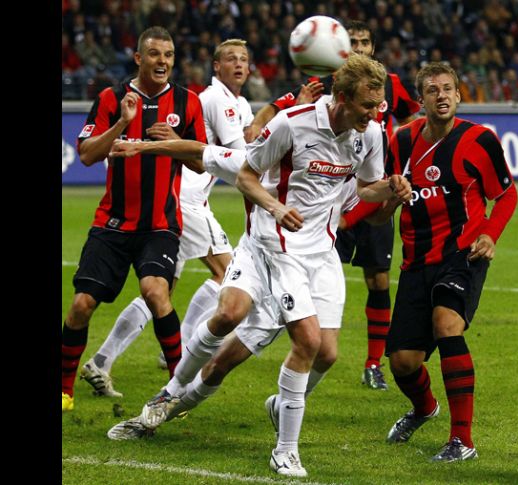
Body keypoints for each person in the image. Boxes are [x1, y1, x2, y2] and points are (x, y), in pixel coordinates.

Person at [107, 54, 411, 478]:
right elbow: (228, 163)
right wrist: (143, 146)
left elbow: (367, 197)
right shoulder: (292, 124)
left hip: (320, 255)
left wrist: (391, 193)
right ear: (341, 97)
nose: (373, 113)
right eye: (366, 104)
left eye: (378, 105)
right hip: (273, 248)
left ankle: (204, 401)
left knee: (325, 353)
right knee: (260, 326)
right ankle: (273, 444)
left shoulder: (371, 133)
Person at [78, 39, 255, 398]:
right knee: (226, 273)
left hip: (184, 200)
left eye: (244, 60)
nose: (239, 65)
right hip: (183, 201)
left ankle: (102, 360)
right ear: (215, 67)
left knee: (161, 290)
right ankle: (176, 350)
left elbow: (249, 142)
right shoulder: (217, 100)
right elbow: (239, 156)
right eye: (230, 59)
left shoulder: (238, 103)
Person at [250, 20, 421, 390]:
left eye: (364, 41)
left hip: (374, 185)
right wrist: (259, 125)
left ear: (372, 47)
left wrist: (402, 151)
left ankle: (373, 362)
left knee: (377, 279)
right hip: (330, 198)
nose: (358, 47)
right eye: (352, 41)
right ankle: (288, 328)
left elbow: (410, 117)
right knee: (317, 277)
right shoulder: (328, 78)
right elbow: (276, 109)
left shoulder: (388, 83)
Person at [62, 26, 208, 412]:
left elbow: (200, 163)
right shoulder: (111, 98)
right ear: (139, 58)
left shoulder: (187, 102)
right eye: (156, 54)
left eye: (170, 55)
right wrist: (122, 124)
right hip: (112, 222)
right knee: (80, 305)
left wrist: (173, 140)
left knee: (156, 292)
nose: (163, 62)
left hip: (160, 223)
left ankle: (177, 392)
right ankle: (64, 391)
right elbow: (89, 154)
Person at [380, 63, 518, 462]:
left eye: (448, 89)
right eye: (432, 90)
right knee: (404, 363)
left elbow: (506, 195)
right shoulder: (401, 142)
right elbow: (388, 200)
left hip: (463, 253)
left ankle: (462, 440)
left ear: (459, 96)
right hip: (416, 260)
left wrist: (490, 233)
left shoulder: (479, 140)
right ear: (420, 100)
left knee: (447, 325)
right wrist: (391, 195)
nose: (441, 96)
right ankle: (424, 408)